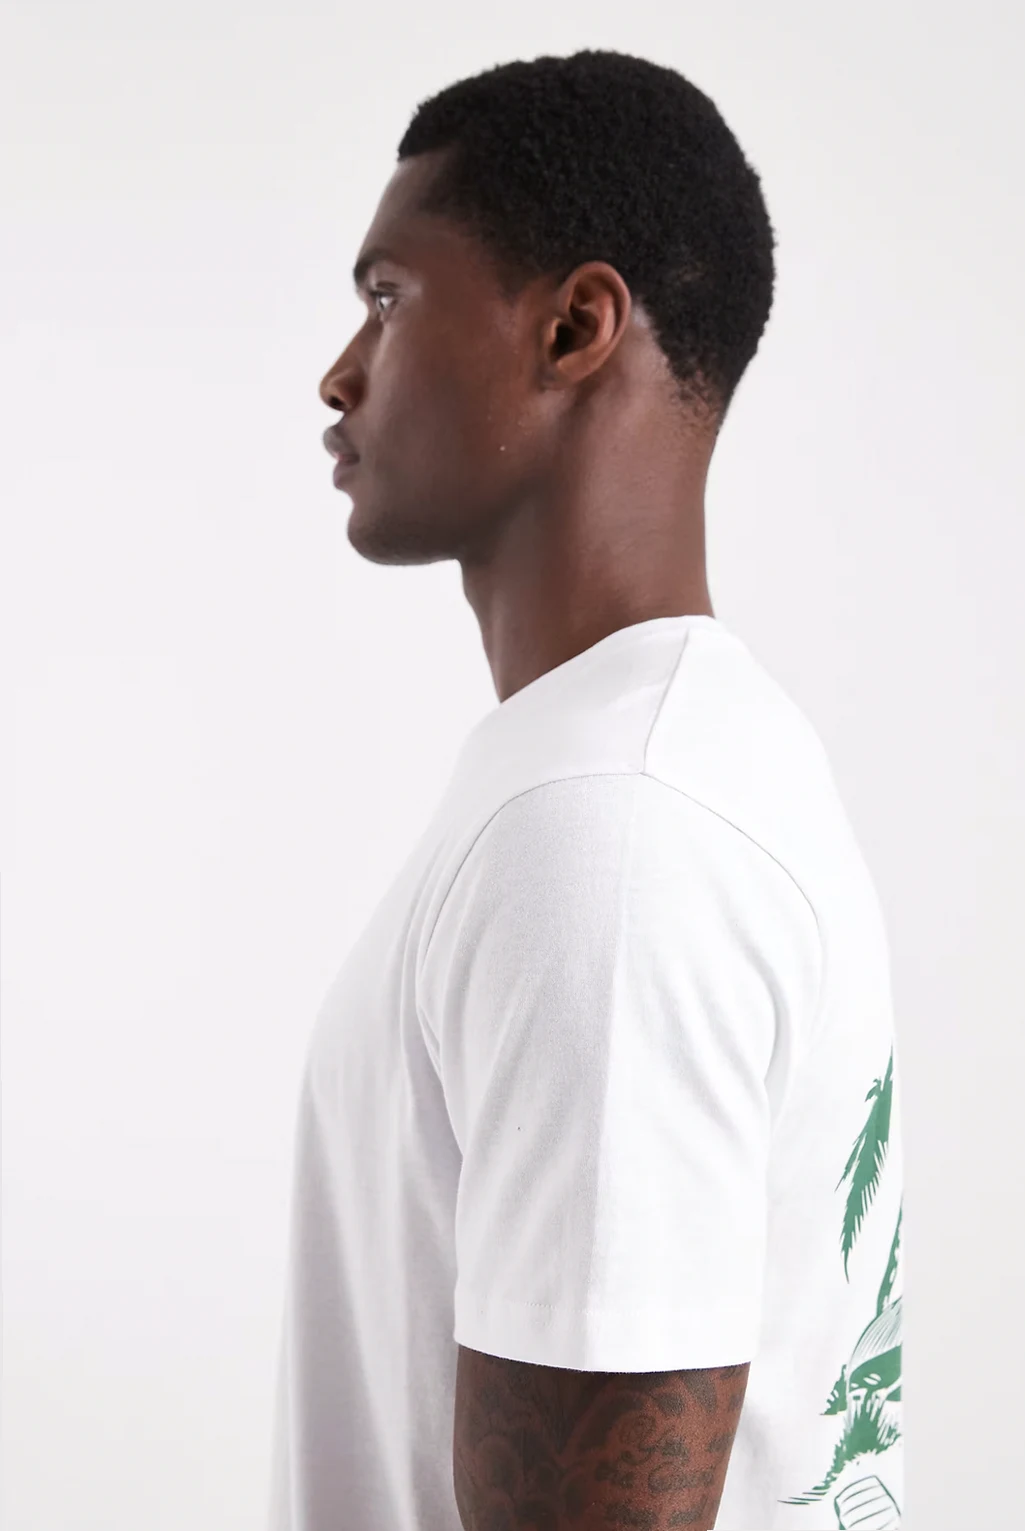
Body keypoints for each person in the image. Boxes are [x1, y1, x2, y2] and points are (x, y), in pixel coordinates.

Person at [269, 48, 904, 1531]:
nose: (340, 372)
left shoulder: (609, 831)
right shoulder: (655, 767)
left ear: (573, 327)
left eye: (388, 298)